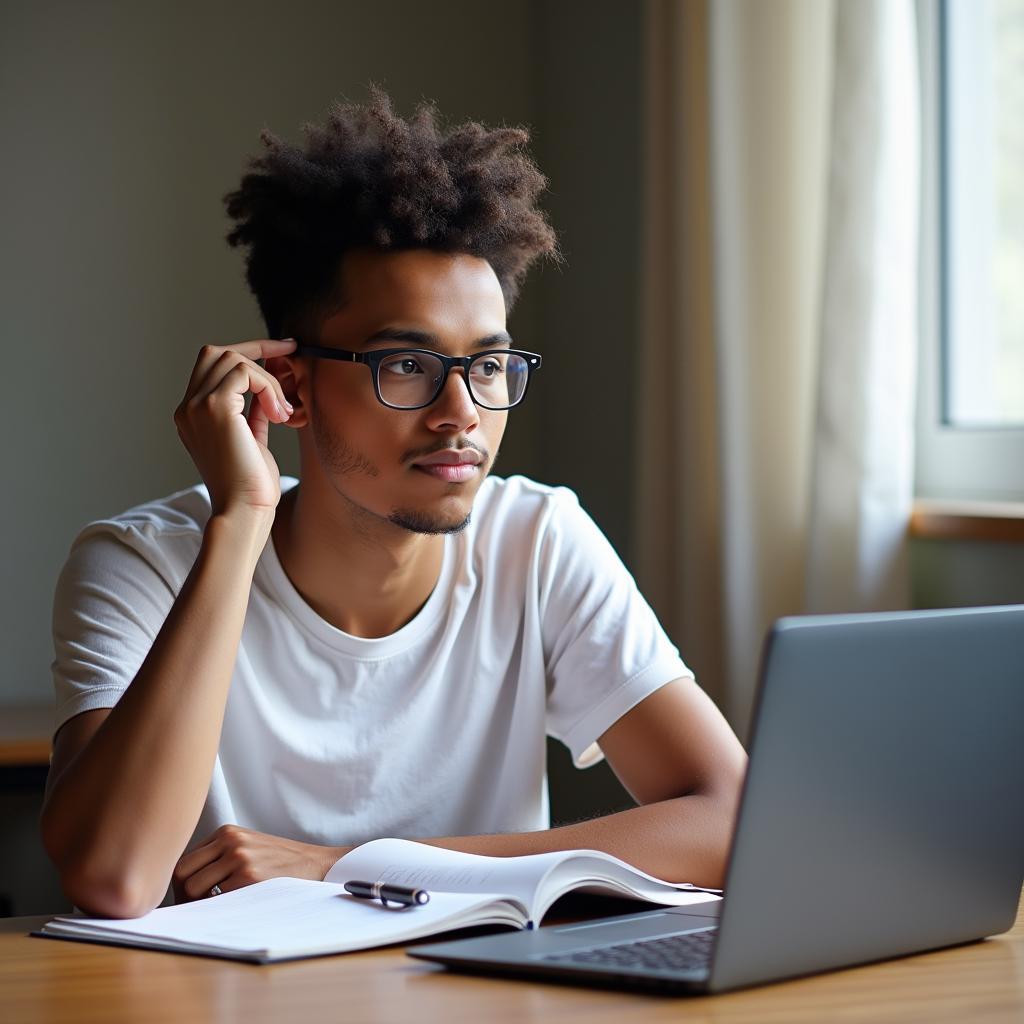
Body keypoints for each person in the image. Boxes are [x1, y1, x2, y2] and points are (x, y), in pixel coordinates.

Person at [41, 89, 747, 919]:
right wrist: (239, 521)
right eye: (406, 366)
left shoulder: (535, 539)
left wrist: (353, 866)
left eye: (488, 366)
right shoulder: (142, 564)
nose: (464, 414)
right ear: (289, 388)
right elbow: (111, 878)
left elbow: (730, 823)